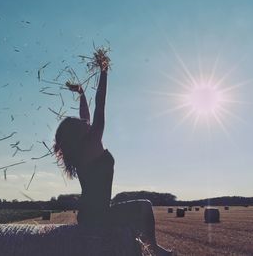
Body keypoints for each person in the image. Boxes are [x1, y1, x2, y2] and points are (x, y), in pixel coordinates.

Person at [54, 49, 172, 256]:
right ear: (78, 133)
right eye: (79, 123)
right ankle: (154, 249)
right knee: (144, 206)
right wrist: (104, 71)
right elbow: (101, 103)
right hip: (100, 216)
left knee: (133, 213)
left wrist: (82, 93)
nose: (84, 122)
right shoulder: (93, 139)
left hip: (89, 215)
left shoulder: (82, 150)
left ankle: (149, 247)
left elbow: (86, 117)